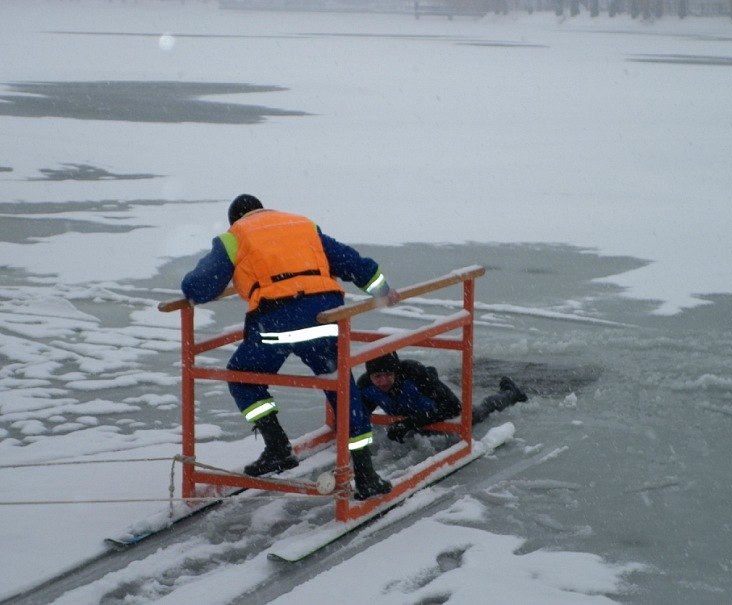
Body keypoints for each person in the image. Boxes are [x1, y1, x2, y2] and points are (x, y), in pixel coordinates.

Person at [181, 194, 400, 500]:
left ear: (236, 219)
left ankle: (278, 448)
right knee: (339, 384)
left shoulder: (235, 237)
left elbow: (199, 287)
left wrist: (209, 281)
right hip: (325, 318)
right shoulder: (302, 225)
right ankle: (366, 476)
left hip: (276, 325)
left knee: (242, 376)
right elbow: (350, 261)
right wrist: (381, 289)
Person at [357, 351, 527, 442]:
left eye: (388, 374)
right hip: (412, 413)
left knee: (481, 411)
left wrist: (409, 423)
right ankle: (432, 376)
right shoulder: (365, 385)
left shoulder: (413, 374)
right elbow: (358, 414)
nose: (383, 381)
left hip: (440, 416)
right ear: (369, 376)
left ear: (396, 371)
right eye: (377, 377)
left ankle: (510, 393)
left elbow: (453, 408)